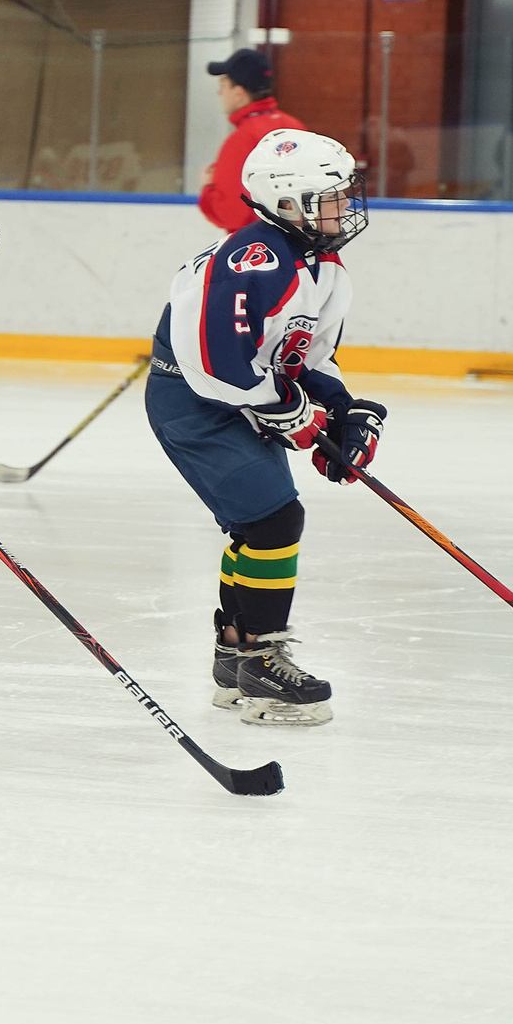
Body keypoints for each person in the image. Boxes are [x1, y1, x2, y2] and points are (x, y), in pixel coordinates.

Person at [146, 129, 383, 727]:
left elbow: (309, 356)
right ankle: (258, 658)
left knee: (260, 523)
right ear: (286, 203)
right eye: (329, 198)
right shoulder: (253, 261)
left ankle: (235, 656)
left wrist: (344, 408)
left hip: (238, 393)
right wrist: (293, 415)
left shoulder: (324, 268)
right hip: (193, 403)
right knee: (275, 519)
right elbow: (217, 368)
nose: (343, 208)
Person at [196, 47, 298, 234]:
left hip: (259, 250)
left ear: (238, 93)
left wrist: (207, 189)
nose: (220, 94)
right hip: (302, 247)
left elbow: (231, 214)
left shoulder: (242, 140)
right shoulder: (295, 127)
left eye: (223, 86)